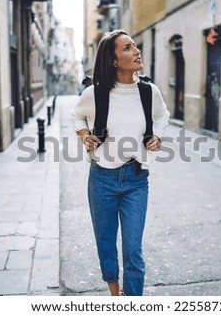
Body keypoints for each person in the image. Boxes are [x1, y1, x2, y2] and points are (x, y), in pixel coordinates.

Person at [70, 29, 170, 296]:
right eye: (127, 48)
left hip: (136, 179)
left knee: (133, 249)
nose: (136, 51)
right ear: (112, 60)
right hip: (102, 179)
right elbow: (76, 116)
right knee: (105, 243)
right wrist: (84, 136)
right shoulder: (96, 93)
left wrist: (157, 136)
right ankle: (116, 295)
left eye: (135, 46)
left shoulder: (149, 92)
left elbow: (162, 116)